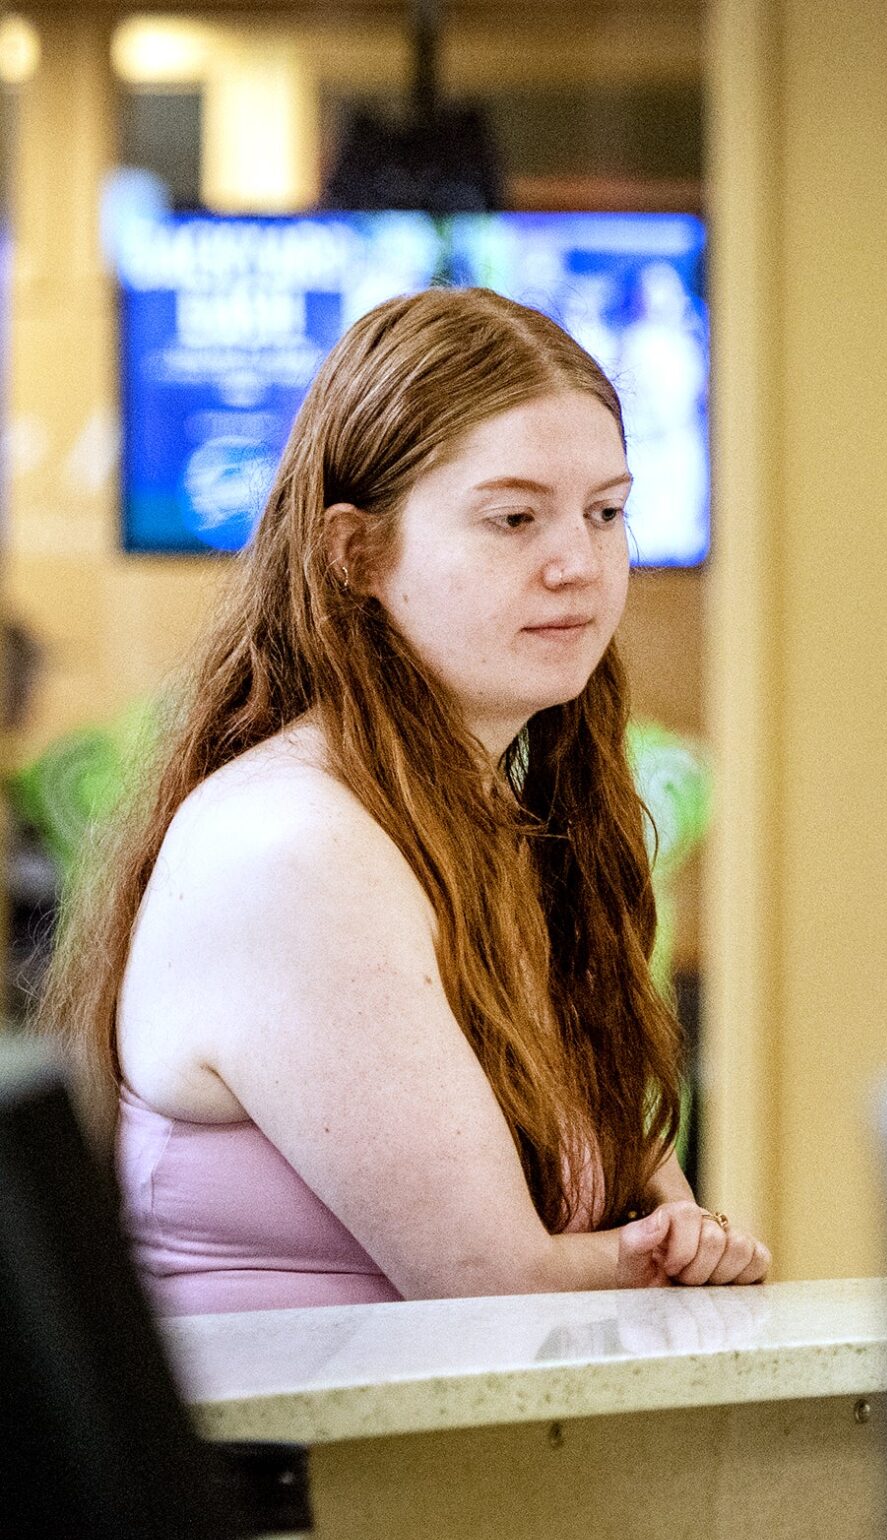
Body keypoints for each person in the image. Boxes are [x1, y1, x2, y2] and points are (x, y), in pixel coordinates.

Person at [43, 287, 770, 1314]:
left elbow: (630, 1218)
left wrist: (681, 1245)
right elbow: (491, 1283)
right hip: (283, 1469)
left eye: (606, 511)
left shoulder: (513, 823)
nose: (579, 564)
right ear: (357, 552)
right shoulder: (295, 845)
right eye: (514, 517)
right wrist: (669, 1258)